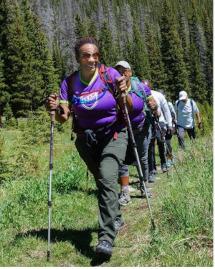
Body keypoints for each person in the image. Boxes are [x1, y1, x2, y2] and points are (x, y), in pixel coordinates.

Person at [46, 37, 131, 258]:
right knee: (102, 180)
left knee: (106, 176)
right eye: (86, 55)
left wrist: (125, 91)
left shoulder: (109, 75)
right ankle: (116, 215)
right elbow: (64, 118)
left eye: (95, 55)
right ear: (78, 58)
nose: (91, 59)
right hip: (86, 139)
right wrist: (55, 109)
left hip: (114, 134)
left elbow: (127, 106)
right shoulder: (70, 83)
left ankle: (106, 238)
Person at [114, 61, 159, 205]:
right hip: (122, 128)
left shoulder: (140, 87)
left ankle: (143, 185)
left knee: (143, 158)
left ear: (129, 73)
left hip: (141, 127)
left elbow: (152, 102)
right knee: (121, 160)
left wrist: (154, 106)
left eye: (123, 70)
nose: (120, 73)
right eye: (117, 71)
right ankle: (125, 191)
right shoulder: (112, 89)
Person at [148, 88, 173, 182]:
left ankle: (163, 163)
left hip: (160, 121)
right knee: (150, 146)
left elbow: (166, 110)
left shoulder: (158, 95)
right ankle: (152, 169)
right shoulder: (141, 94)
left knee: (160, 141)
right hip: (148, 122)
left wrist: (169, 124)